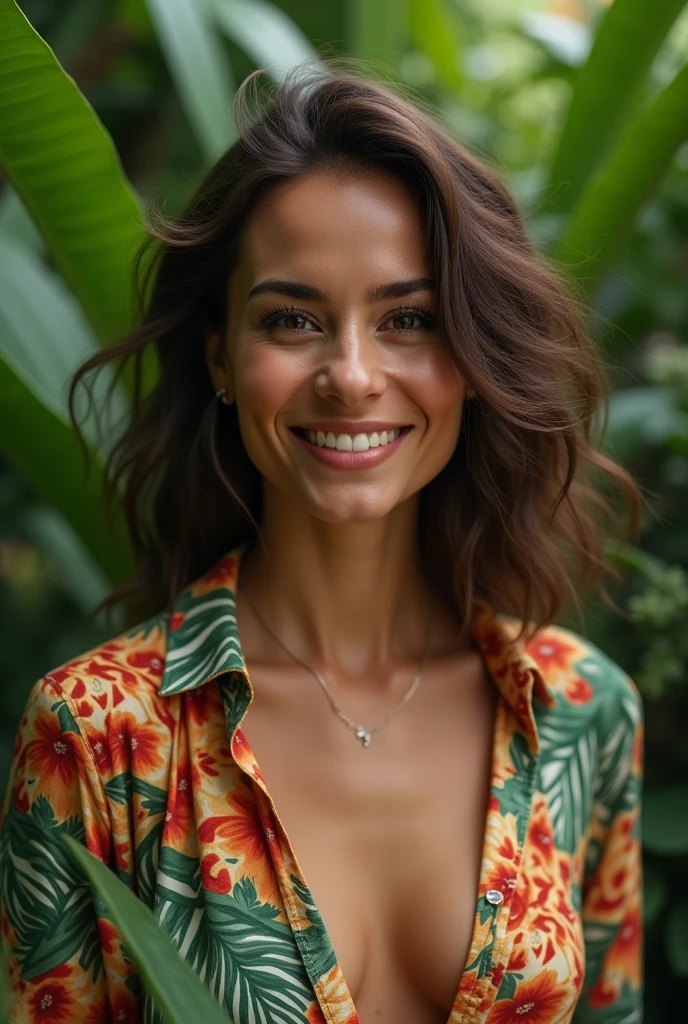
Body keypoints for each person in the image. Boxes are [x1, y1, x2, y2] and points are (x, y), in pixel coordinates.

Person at [0, 64, 644, 1024]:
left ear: (473, 356)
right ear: (222, 355)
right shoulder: (97, 735)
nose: (350, 375)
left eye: (409, 319)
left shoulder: (582, 711)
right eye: (292, 319)